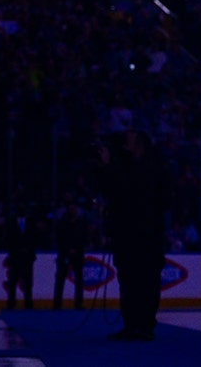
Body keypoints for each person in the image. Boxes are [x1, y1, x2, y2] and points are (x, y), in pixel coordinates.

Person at [100, 130, 168, 341]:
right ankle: (133, 324)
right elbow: (113, 192)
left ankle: (144, 325)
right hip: (129, 234)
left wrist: (108, 167)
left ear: (139, 146)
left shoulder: (150, 168)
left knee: (145, 280)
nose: (123, 145)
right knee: (129, 280)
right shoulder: (128, 167)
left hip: (146, 235)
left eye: (128, 141)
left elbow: (125, 190)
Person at [53, 200, 88, 310]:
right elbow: (60, 239)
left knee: (79, 280)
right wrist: (67, 249)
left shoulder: (81, 224)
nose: (73, 211)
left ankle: (78, 303)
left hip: (77, 254)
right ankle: (57, 303)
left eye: (74, 209)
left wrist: (77, 249)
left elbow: (83, 238)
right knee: (60, 279)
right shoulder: (62, 224)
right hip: (65, 254)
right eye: (71, 209)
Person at [4, 203, 38, 310]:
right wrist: (17, 250)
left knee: (28, 282)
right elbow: (9, 239)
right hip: (15, 257)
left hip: (27, 257)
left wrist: (29, 250)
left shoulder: (31, 223)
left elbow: (34, 238)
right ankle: (11, 302)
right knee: (13, 281)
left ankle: (28, 302)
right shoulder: (11, 223)